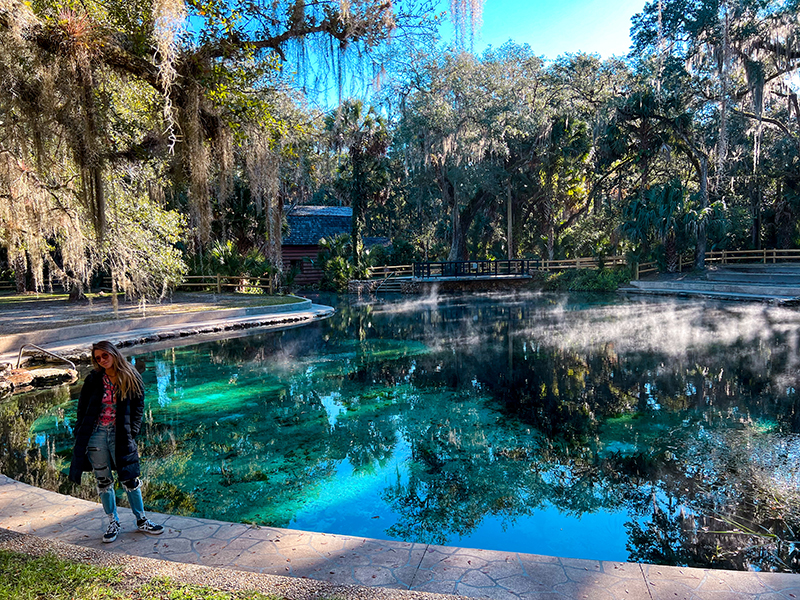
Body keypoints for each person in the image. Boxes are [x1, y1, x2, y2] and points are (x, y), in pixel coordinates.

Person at [68, 341, 164, 542]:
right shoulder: (94, 379)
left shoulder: (130, 376)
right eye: (98, 358)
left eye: (105, 355)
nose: (102, 360)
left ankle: (141, 520)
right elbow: (82, 407)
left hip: (120, 434)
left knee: (130, 478)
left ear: (113, 353)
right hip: (96, 435)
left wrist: (132, 432)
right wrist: (80, 430)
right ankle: (113, 521)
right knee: (103, 480)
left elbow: (138, 407)